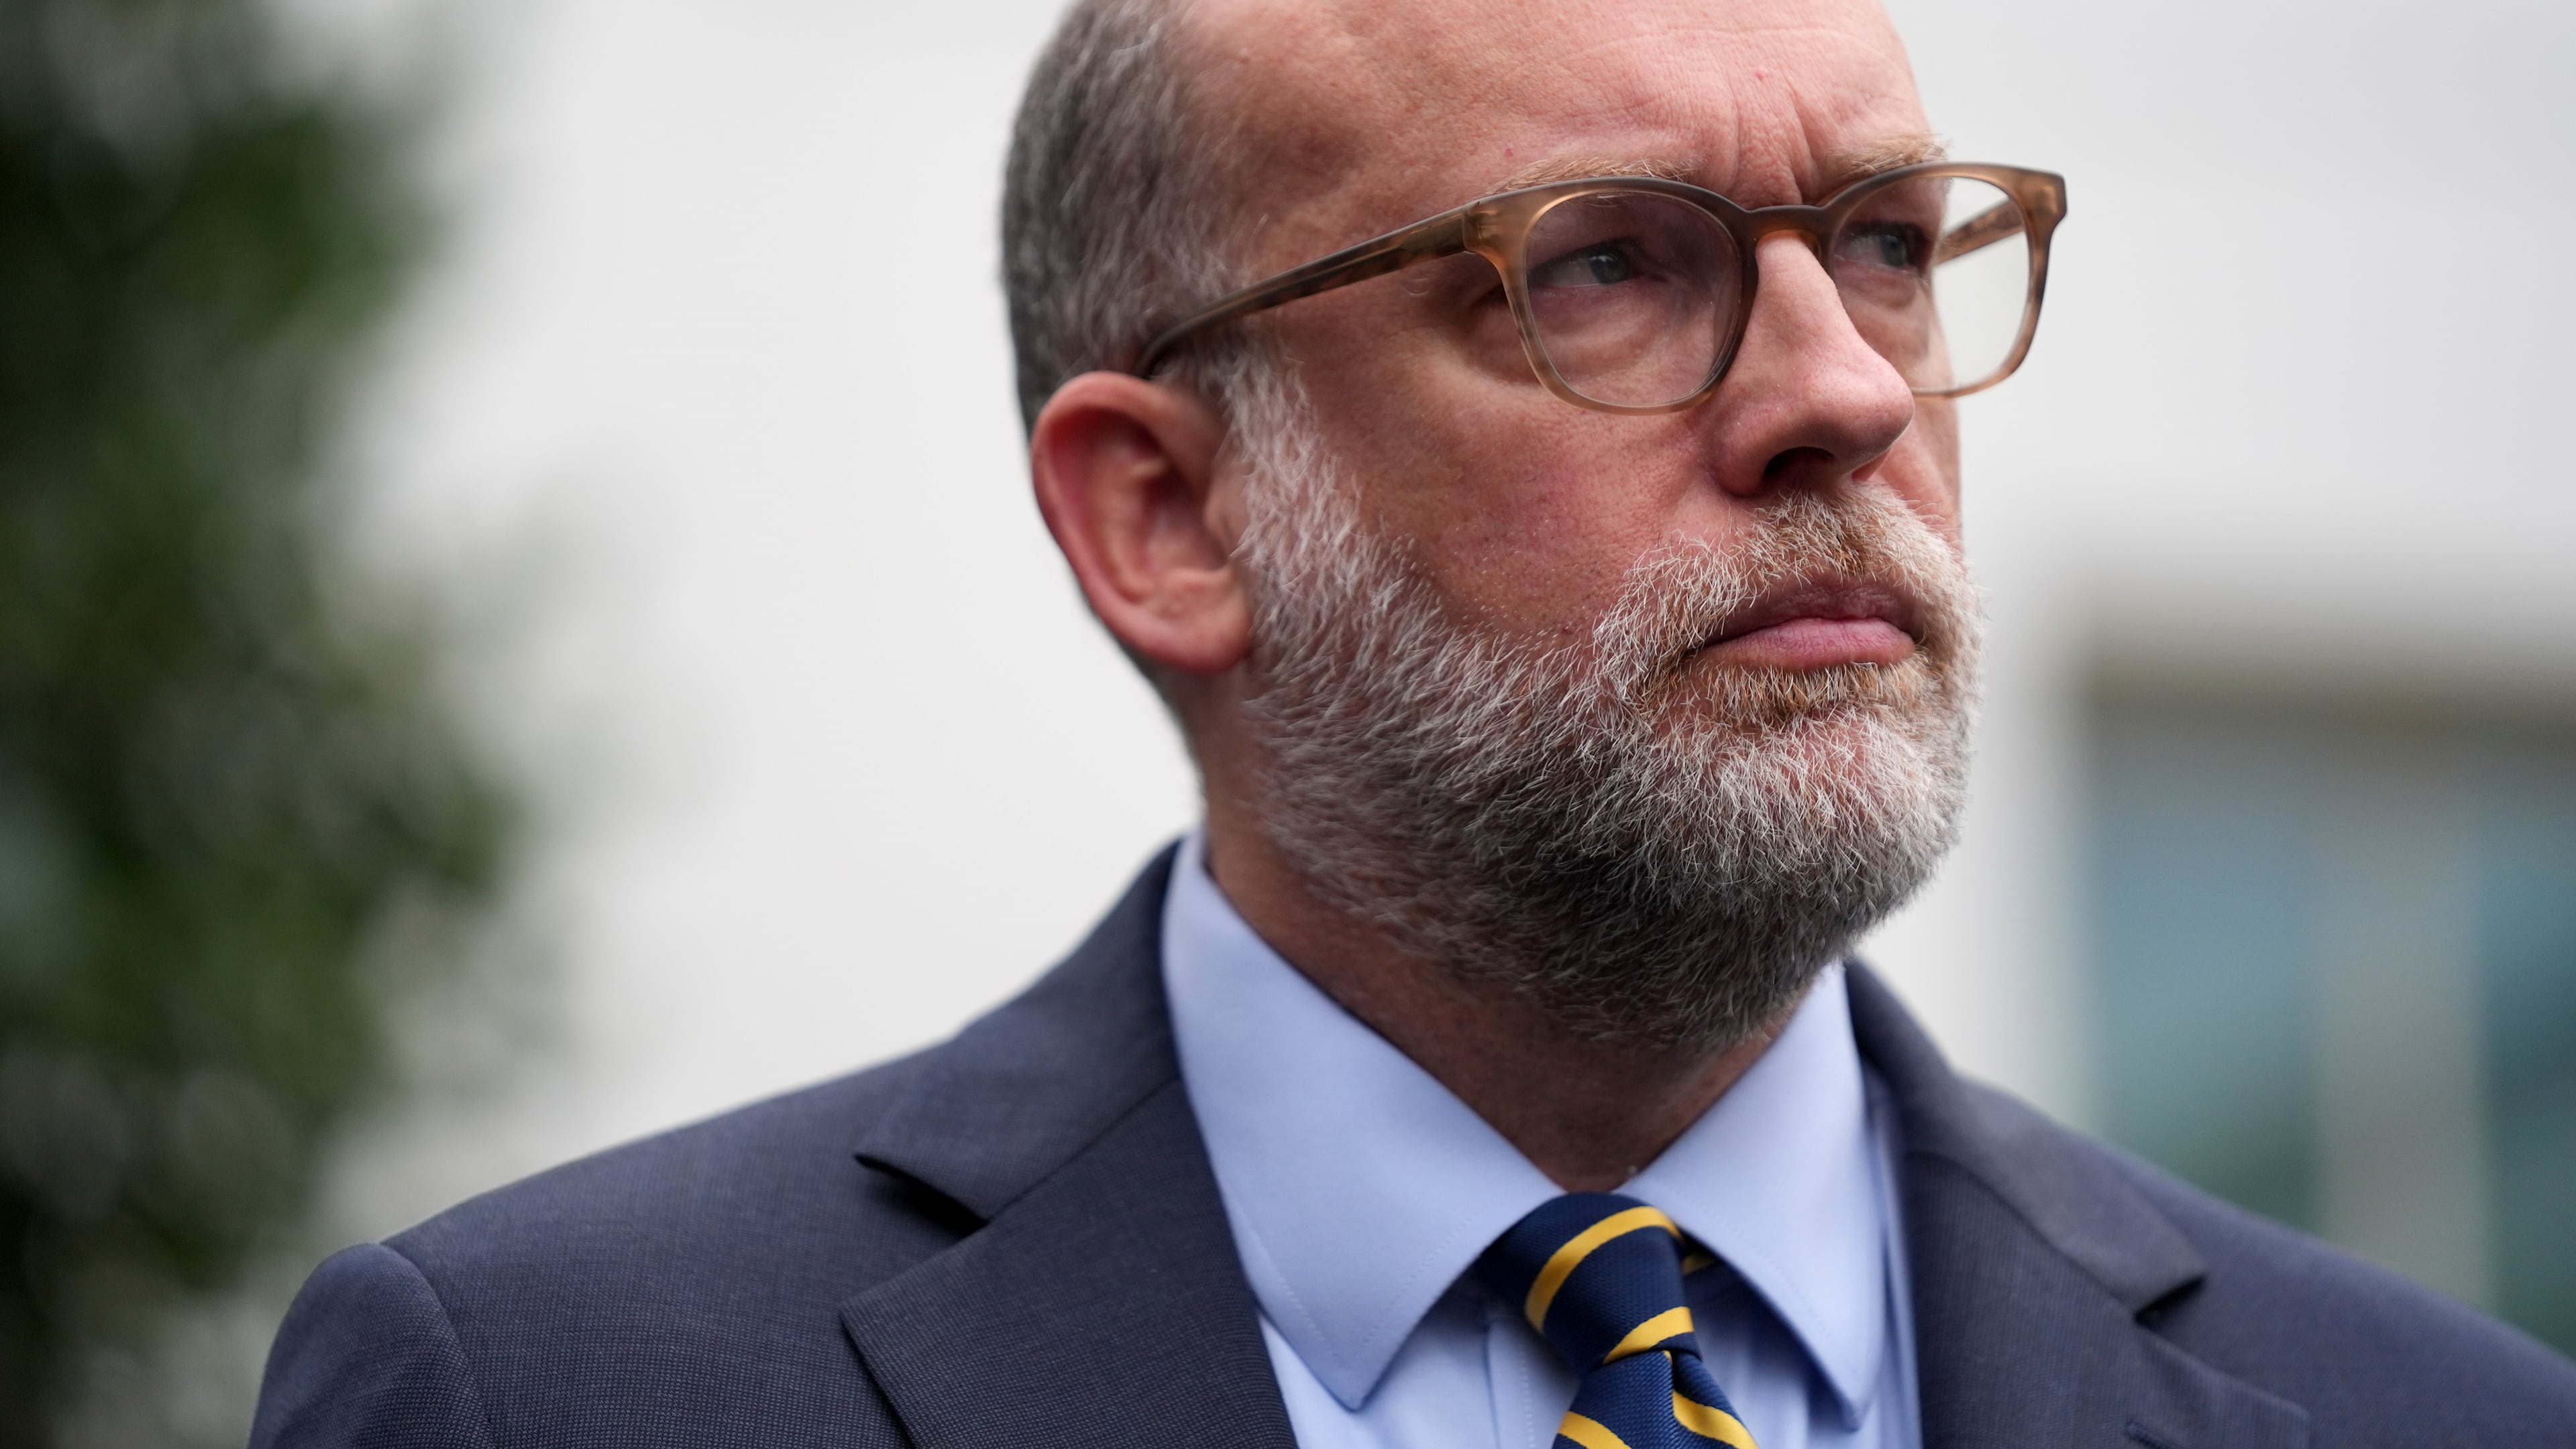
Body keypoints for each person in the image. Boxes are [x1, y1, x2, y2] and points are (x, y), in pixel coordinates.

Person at [249, 0, 2576, 1443]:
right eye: (1602, 264)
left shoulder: (2440, 1423)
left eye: (1883, 240)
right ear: (1169, 513)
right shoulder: (556, 1398)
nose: (1849, 393)